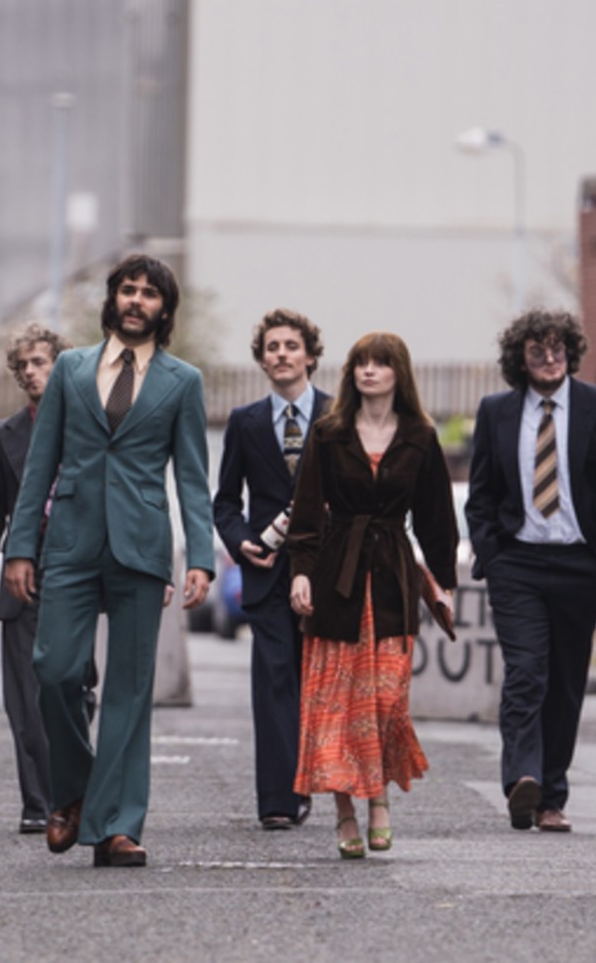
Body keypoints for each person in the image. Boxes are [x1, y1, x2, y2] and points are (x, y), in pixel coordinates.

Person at [2, 254, 215, 868]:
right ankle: (74, 789)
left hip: (142, 547)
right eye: (128, 289)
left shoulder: (183, 382)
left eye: (150, 293)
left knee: (129, 690)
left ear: (164, 310)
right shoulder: (70, 369)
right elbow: (40, 464)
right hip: (69, 542)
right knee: (55, 669)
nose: (137, 300)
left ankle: (118, 826)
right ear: (113, 299)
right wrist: (21, 546)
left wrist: (199, 554)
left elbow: (193, 479)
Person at [285, 331, 458, 860]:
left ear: (398, 373)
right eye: (361, 363)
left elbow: (436, 518)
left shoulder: (421, 437)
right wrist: (300, 573)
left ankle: (378, 796)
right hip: (337, 576)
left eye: (381, 363)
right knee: (335, 706)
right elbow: (308, 511)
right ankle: (345, 812)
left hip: (392, 580)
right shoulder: (329, 432)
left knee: (384, 703)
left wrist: (444, 582)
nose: (369, 371)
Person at [465, 309, 596, 834]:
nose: (549, 358)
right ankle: (522, 778)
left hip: (579, 564)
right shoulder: (496, 411)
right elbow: (481, 496)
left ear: (571, 353)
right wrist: (491, 554)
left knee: (564, 680)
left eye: (557, 348)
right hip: (516, 563)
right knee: (526, 672)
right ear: (520, 359)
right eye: (537, 350)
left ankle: (551, 798)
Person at [212, 309, 331, 830]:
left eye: (291, 346)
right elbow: (224, 501)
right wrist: (240, 542)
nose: (281, 354)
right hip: (266, 574)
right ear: (262, 360)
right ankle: (279, 800)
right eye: (272, 347)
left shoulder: (338, 415)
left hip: (328, 575)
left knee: (320, 683)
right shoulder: (246, 422)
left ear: (310, 356)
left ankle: (318, 781)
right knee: (275, 680)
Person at [0, 323, 75, 834]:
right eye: (24, 365)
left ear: (61, 366)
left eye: (40, 362)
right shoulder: (3, 437)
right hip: (19, 578)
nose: (31, 372)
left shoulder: (88, 426)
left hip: (77, 572)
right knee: (24, 698)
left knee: (75, 686)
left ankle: (72, 789)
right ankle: (39, 803)